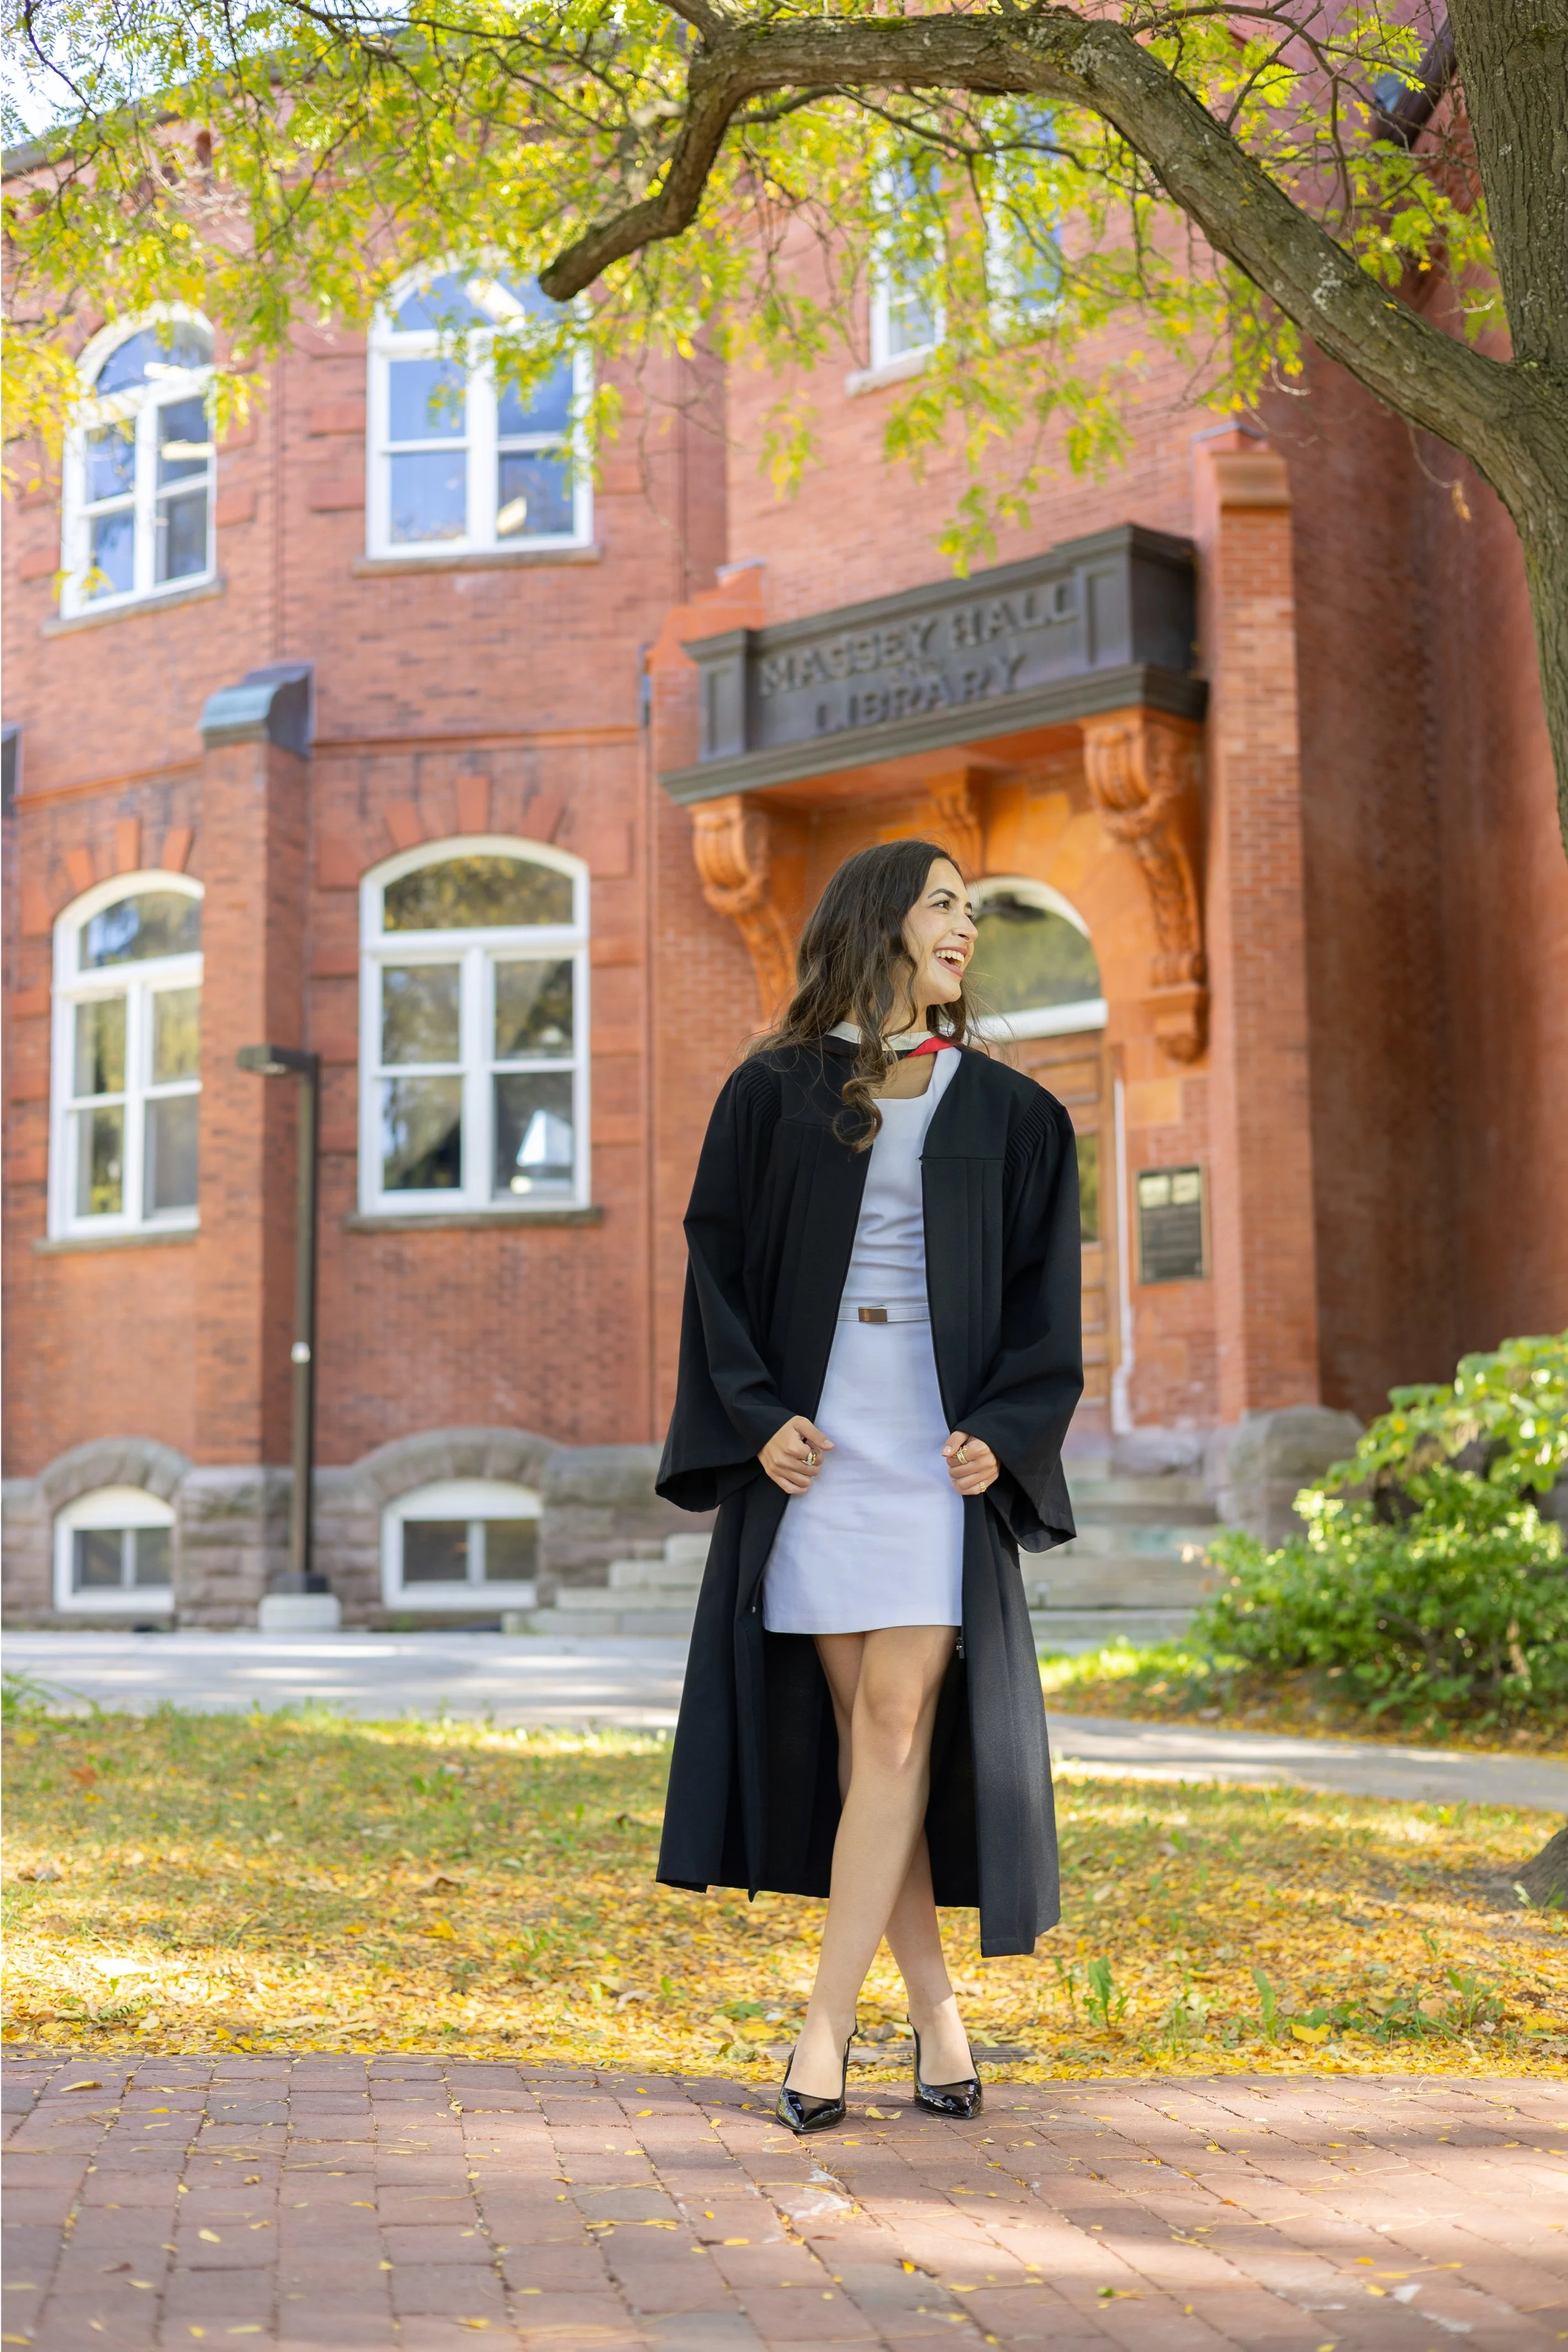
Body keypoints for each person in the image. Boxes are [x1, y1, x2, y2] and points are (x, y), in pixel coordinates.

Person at [655, 840, 1083, 2132]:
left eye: (969, 912)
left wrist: (1002, 1435)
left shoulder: (1017, 1115)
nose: (965, 928)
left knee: (894, 1726)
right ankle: (939, 2018)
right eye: (944, 904)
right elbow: (713, 1270)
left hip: (929, 1452)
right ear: (880, 921)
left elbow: (1042, 1310)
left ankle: (822, 2030)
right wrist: (758, 1418)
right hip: (822, 1448)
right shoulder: (772, 1093)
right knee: (867, 1739)